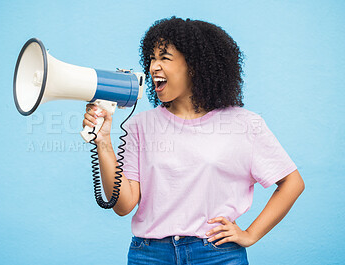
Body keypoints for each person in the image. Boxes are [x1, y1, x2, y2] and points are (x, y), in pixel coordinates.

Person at [82, 16, 305, 265]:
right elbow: (123, 205)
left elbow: (292, 182)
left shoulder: (244, 124)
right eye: (152, 58)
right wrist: (103, 142)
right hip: (149, 255)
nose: (154, 66)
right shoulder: (139, 126)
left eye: (164, 58)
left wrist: (250, 234)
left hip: (217, 255)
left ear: (194, 66)